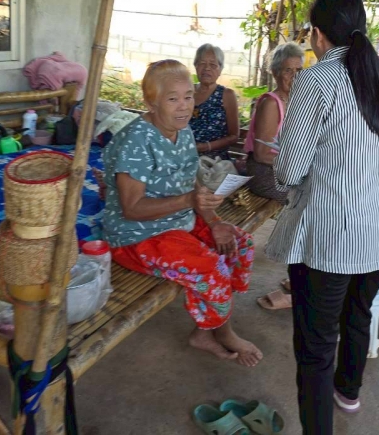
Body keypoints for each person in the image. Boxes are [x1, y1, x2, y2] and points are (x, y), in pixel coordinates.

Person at [265, 0, 379, 434]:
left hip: (333, 238)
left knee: (315, 348)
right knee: (357, 312)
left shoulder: (317, 80)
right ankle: (348, 392)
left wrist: (294, 179)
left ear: (317, 34)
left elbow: (289, 170)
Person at [102, 60, 262, 367]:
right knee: (212, 268)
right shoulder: (136, 141)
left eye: (188, 96)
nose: (184, 106)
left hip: (178, 221)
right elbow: (131, 208)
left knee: (239, 244)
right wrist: (189, 200)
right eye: (172, 98)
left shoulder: (183, 131)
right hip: (138, 236)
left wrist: (214, 221)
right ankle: (223, 332)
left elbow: (191, 180)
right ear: (150, 103)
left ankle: (204, 330)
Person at [244, 42, 304, 202]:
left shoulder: (296, 101)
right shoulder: (271, 104)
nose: (295, 76)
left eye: (299, 70)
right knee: (307, 197)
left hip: (284, 171)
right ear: (276, 73)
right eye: (288, 70)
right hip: (264, 173)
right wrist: (298, 166)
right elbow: (261, 155)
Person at [189, 44, 239, 160]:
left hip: (214, 161)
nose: (207, 68)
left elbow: (234, 135)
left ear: (220, 70)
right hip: (184, 156)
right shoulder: (187, 92)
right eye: (202, 63)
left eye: (213, 65)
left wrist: (207, 146)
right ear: (196, 66)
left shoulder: (227, 95)